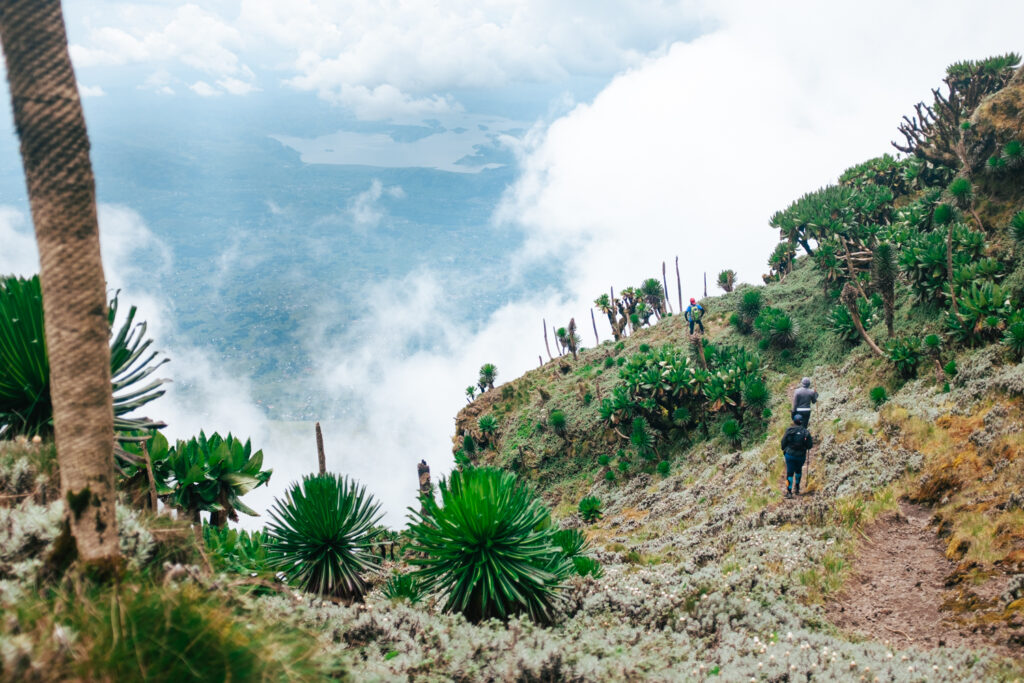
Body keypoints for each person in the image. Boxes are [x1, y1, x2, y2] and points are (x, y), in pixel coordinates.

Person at [781, 413, 813, 497]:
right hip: (801, 456)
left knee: (790, 473)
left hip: (790, 455)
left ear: (794, 421)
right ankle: (797, 487)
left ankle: (789, 492)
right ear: (802, 422)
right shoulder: (806, 432)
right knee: (798, 470)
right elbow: (810, 445)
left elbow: (783, 442)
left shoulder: (789, 430)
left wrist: (784, 449)